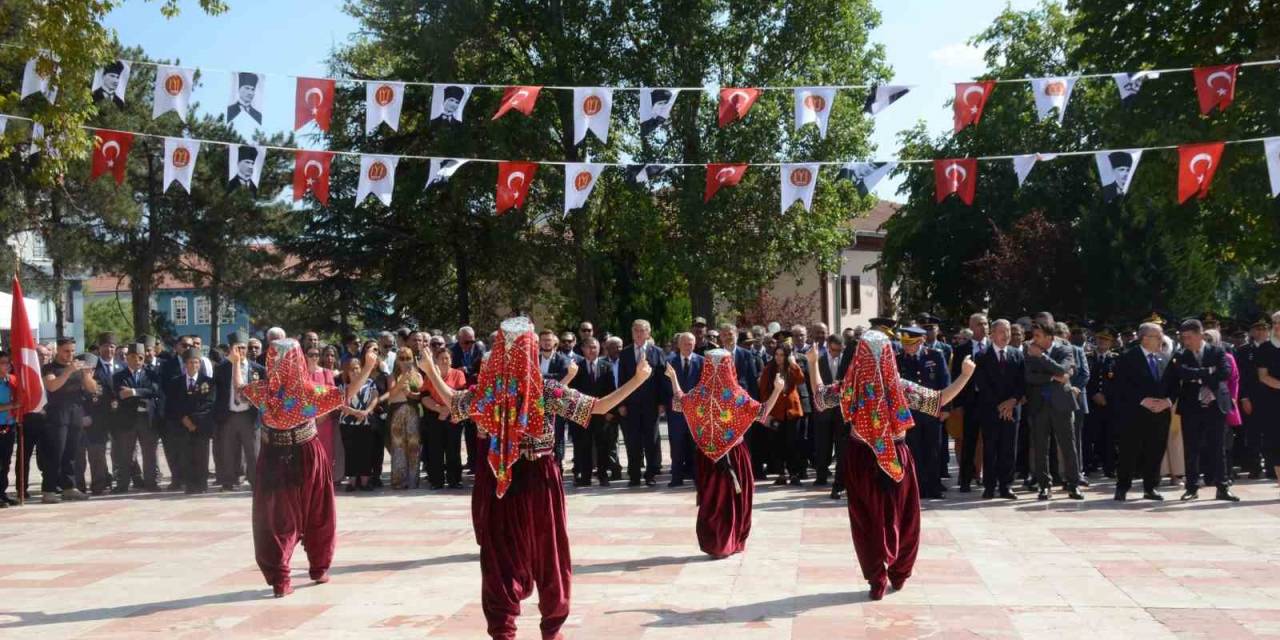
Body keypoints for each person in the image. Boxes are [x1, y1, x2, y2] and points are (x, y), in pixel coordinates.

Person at [420, 317, 651, 640]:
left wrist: (431, 369)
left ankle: (505, 630)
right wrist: (638, 380)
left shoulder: (493, 391)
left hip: (501, 477)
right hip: (536, 476)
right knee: (547, 553)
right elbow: (598, 407)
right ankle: (548, 628)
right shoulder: (542, 389)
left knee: (503, 556)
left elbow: (454, 401)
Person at [805, 332, 975, 600]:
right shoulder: (897, 386)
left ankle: (878, 578)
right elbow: (938, 400)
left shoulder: (853, 385)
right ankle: (897, 572)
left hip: (863, 458)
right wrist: (965, 375)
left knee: (868, 521)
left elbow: (820, 398)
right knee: (902, 517)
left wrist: (813, 363)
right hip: (892, 457)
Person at [238, 339, 376, 597]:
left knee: (277, 519)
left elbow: (240, 389)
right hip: (306, 454)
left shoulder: (264, 391)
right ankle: (318, 568)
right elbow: (344, 395)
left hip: (273, 456)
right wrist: (368, 368)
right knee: (318, 513)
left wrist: (236, 365)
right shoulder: (307, 391)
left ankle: (283, 580)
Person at [664, 349, 784, 558]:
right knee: (732, 501)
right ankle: (730, 541)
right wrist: (777, 390)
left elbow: (679, 402)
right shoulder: (736, 395)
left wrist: (674, 379)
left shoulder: (699, 393)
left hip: (707, 458)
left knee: (712, 501)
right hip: (734, 456)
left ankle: (715, 543)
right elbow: (763, 412)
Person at [1169, 319, 1237, 502]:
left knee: (1218, 447)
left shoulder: (1218, 350)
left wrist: (1197, 374)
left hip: (1215, 405)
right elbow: (1182, 373)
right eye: (1183, 338)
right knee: (1191, 448)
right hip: (1191, 406)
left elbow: (1225, 373)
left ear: (1200, 334)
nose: (1186, 341)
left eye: (1189, 337)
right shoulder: (1181, 354)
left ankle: (1222, 487)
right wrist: (1208, 372)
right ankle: (1192, 487)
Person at [1111, 322, 1175, 501]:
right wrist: (1142, 400)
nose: (1162, 339)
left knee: (1155, 450)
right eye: (1158, 336)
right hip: (1134, 413)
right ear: (1145, 339)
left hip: (1160, 413)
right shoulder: (1127, 358)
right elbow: (1121, 386)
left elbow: (1174, 385)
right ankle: (1123, 486)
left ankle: (1151, 487)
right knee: (1129, 451)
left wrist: (1167, 401)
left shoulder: (1165, 358)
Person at [1024, 321, 1084, 500]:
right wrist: (1053, 377)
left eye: (1037, 336)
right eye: (1033, 336)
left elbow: (1063, 369)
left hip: (1062, 404)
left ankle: (1073, 484)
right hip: (1039, 404)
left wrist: (1042, 358)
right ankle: (1044, 485)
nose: (1033, 340)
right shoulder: (1029, 351)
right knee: (1040, 446)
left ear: (1049, 337)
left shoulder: (1064, 349)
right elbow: (1029, 377)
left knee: (1068, 445)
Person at [897, 326, 954, 500]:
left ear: (921, 341)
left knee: (933, 449)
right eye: (904, 344)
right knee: (914, 450)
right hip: (909, 412)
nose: (907, 347)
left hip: (932, 410)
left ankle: (934, 486)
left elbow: (944, 381)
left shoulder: (934, 356)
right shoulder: (898, 359)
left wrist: (945, 408)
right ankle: (918, 487)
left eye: (911, 344)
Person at [972, 320, 1024, 499]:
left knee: (1009, 449)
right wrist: (1001, 406)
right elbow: (982, 385)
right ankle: (989, 486)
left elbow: (1022, 383)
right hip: (990, 410)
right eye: (1002, 331)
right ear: (992, 334)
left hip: (1012, 410)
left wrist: (1012, 402)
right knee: (990, 449)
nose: (1006, 335)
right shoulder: (982, 356)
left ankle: (1006, 485)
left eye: (1008, 331)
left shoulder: (1017, 355)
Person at [42, 338, 97, 503]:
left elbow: (93, 389)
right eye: (66, 351)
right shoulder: (49, 368)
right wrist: (68, 371)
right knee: (56, 453)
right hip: (57, 415)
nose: (70, 354)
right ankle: (49, 489)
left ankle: (69, 487)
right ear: (58, 350)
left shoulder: (78, 367)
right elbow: (52, 386)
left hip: (75, 413)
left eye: (72, 351)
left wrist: (86, 375)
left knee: (72, 453)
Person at [214, 332, 264, 491]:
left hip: (249, 415)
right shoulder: (222, 368)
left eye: (243, 348)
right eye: (238, 348)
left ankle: (256, 482)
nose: (241, 351)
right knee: (227, 451)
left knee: (253, 452)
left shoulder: (257, 369)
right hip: (229, 415)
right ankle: (228, 482)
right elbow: (216, 392)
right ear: (230, 349)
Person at [619, 319, 665, 486]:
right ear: (632, 333)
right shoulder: (625, 353)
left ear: (648, 333)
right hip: (631, 404)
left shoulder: (657, 352)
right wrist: (621, 403)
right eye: (636, 330)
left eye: (642, 330)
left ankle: (650, 474)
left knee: (651, 440)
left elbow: (661, 379)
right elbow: (622, 380)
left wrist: (661, 402)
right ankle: (634, 475)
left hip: (651, 404)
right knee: (632, 440)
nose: (638, 333)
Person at [164, 348, 216, 494]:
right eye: (191, 362)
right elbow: (172, 404)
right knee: (185, 455)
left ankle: (202, 484)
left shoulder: (208, 382)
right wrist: (184, 419)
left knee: (201, 455)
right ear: (185, 365)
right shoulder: (176, 382)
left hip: (201, 425)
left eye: (196, 362)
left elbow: (209, 404)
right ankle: (190, 484)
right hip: (182, 425)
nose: (194, 365)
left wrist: (194, 421)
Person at [111, 343, 162, 493]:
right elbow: (121, 394)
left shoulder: (152, 374)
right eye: (133, 357)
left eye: (140, 357)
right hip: (128, 419)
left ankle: (151, 482)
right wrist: (143, 394)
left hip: (147, 419)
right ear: (127, 358)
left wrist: (133, 392)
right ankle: (123, 484)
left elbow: (154, 391)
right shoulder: (119, 376)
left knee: (150, 453)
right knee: (125, 454)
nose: (137, 360)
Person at [569, 337, 616, 486]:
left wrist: (610, 410)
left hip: (602, 413)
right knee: (584, 445)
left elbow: (611, 390)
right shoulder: (576, 367)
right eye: (589, 347)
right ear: (582, 349)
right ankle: (586, 476)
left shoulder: (606, 366)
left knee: (603, 445)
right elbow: (572, 391)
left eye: (595, 347)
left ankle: (603, 475)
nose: (592, 350)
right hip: (582, 412)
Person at [758, 340, 806, 485]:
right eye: (777, 354)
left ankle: (794, 473)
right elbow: (764, 392)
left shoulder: (791, 367)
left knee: (793, 443)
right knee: (777, 443)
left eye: (782, 355)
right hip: (776, 412)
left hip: (792, 410)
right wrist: (766, 412)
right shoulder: (769, 369)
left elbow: (801, 380)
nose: (779, 358)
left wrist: (793, 364)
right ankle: (781, 473)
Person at [951, 313, 989, 492]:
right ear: (972, 327)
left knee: (990, 441)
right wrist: (957, 405)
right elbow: (955, 378)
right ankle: (965, 479)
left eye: (986, 324)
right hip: (970, 402)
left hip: (991, 402)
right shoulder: (961, 350)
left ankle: (987, 478)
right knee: (969, 441)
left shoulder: (993, 347)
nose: (984, 327)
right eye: (980, 324)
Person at [422, 347, 466, 489]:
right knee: (435, 449)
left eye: (447, 358)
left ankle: (454, 480)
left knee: (453, 449)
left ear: (451, 360)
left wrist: (446, 411)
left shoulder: (458, 374)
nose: (445, 361)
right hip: (435, 416)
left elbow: (460, 396)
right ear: (436, 360)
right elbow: (424, 396)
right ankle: (436, 481)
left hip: (453, 416)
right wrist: (438, 409)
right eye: (441, 358)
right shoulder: (431, 375)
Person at [338, 348, 381, 491]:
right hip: (347, 423)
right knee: (351, 452)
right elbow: (341, 405)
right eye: (351, 369)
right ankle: (351, 481)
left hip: (366, 422)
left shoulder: (370, 382)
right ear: (347, 372)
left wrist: (367, 411)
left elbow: (375, 397)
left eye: (357, 368)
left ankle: (364, 481)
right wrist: (356, 412)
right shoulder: (342, 386)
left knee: (366, 451)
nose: (355, 371)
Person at [664, 333, 703, 487]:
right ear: (679, 345)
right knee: (677, 444)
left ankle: (697, 477)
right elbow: (664, 383)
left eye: (691, 343)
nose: (689, 346)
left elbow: (704, 385)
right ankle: (676, 477)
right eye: (686, 343)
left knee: (695, 446)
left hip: (695, 411)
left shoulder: (702, 362)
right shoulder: (669, 362)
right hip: (676, 412)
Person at [812, 334, 847, 496]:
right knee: (822, 444)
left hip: (841, 410)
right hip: (824, 410)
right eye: (833, 350)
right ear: (828, 346)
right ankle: (821, 474)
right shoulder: (818, 360)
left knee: (841, 446)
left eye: (839, 351)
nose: (836, 353)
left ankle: (841, 478)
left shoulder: (846, 361)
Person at [385, 347, 424, 489]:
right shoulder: (391, 376)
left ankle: (413, 480)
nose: (405, 361)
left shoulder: (418, 376)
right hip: (396, 412)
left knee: (414, 446)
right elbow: (392, 394)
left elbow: (421, 395)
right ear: (397, 360)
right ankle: (399, 481)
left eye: (408, 358)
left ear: (412, 359)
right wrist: (403, 380)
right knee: (398, 446)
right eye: (401, 358)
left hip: (413, 412)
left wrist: (410, 394)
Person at [1085, 328, 1120, 478]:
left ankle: (1109, 467)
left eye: (1106, 340)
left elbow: (1119, 382)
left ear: (1110, 343)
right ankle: (1087, 465)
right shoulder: (1088, 357)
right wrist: (1094, 394)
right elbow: (1085, 378)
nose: (1102, 343)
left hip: (1109, 404)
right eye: (1100, 339)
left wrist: (1107, 396)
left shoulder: (1116, 359)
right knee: (1088, 435)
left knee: (1109, 436)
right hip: (1091, 402)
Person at [0, 352, 16, 507]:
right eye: (3, 363)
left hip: (9, 425)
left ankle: (2, 493)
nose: (6, 366)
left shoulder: (11, 380)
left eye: (8, 363)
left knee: (6, 461)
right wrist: (12, 406)